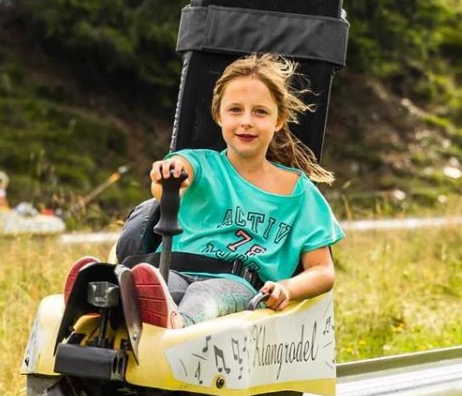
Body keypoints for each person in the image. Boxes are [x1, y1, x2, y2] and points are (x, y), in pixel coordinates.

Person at [123, 53, 342, 329]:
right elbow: (174, 174)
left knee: (204, 296)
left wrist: (286, 288)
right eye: (235, 110)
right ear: (219, 115)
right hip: (176, 269)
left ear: (278, 120)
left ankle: (177, 329)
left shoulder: (299, 193)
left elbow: (323, 271)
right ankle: (108, 299)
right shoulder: (199, 164)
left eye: (260, 111)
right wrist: (169, 174)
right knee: (160, 284)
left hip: (239, 285)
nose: (246, 121)